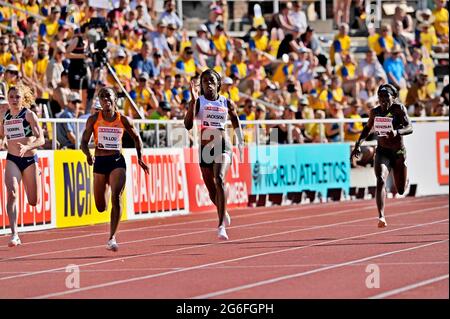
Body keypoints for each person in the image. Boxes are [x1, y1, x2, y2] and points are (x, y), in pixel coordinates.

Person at [80, 87, 149, 251]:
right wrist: (88, 155)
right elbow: (83, 141)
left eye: (108, 97)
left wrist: (140, 158)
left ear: (115, 99)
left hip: (117, 160)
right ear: (99, 100)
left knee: (116, 197)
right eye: (102, 97)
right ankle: (107, 186)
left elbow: (137, 138)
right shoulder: (93, 119)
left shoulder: (123, 119)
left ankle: (112, 237)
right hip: (100, 162)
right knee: (100, 207)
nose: (105, 100)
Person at [184, 69, 244, 240]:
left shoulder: (226, 102)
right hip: (204, 149)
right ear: (201, 85)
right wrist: (192, 103)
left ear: (218, 84)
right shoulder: (198, 102)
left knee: (220, 178)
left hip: (223, 144)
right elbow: (188, 125)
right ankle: (223, 210)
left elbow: (235, 119)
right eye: (204, 81)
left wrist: (240, 139)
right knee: (211, 189)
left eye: (211, 81)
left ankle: (220, 226)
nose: (208, 84)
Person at [351, 84, 413, 228]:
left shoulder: (399, 109)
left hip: (398, 152)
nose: (383, 100)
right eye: (380, 97)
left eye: (386, 97)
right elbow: (367, 129)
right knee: (380, 180)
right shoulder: (375, 112)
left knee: (401, 190)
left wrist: (397, 132)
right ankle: (381, 216)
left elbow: (410, 127)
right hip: (382, 151)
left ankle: (405, 179)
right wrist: (358, 145)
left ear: (394, 97)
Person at [0, 84, 45, 247]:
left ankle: (37, 174)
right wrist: (3, 141)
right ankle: (14, 234)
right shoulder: (4, 115)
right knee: (11, 192)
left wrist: (27, 147)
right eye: (11, 97)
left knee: (33, 201)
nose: (13, 100)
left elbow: (42, 139)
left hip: (29, 160)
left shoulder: (29, 115)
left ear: (23, 98)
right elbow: (2, 135)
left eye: (17, 97)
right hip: (12, 158)